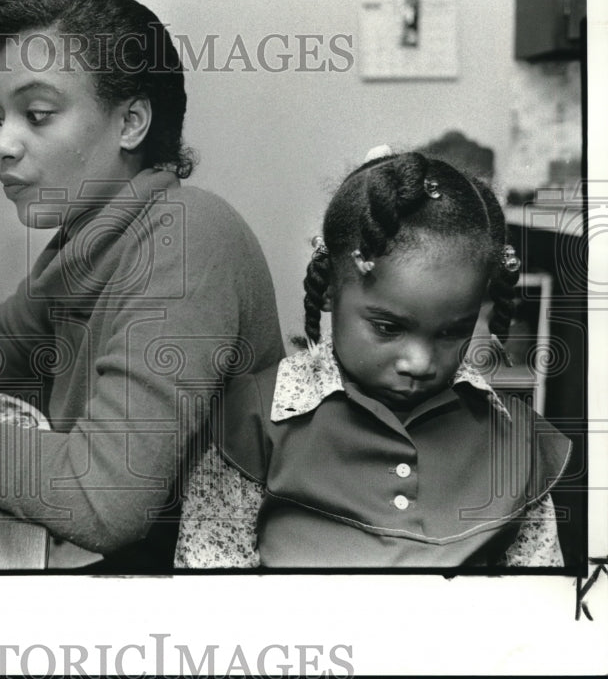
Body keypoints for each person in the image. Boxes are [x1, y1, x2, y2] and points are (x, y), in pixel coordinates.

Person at [0, 0, 284, 570]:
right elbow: (9, 334)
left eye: (36, 114)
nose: (1, 144)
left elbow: (104, 501)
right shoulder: (91, 227)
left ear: (131, 121)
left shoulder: (187, 234)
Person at [176, 147, 571, 568]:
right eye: (387, 328)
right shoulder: (256, 418)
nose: (419, 362)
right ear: (329, 289)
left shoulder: (517, 443)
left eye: (451, 332)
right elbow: (208, 580)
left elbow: (544, 603)